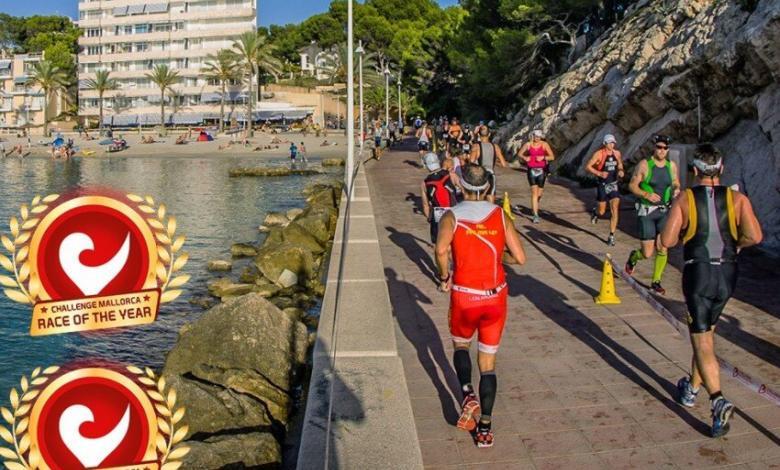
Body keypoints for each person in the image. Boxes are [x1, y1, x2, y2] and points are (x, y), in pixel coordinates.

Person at [660, 143, 762, 437]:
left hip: (699, 272)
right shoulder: (737, 198)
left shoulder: (686, 199)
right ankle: (691, 389)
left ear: (694, 171)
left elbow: (667, 241)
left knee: (702, 342)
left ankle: (717, 400)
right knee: (707, 334)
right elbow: (755, 235)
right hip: (728, 274)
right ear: (722, 169)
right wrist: (737, 245)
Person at [435, 163, 526, 448]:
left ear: (460, 186)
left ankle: (466, 393)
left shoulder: (451, 216)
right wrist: (499, 259)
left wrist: (444, 275)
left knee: (461, 345)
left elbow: (440, 250)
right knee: (488, 364)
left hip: (465, 294)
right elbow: (520, 258)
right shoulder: (500, 215)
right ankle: (485, 428)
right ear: (487, 187)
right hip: (495, 296)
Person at [625, 134, 680, 295]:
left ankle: (656, 281)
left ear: (668, 150)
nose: (661, 151)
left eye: (665, 148)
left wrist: (676, 189)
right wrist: (645, 195)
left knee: (663, 247)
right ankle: (634, 257)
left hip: (664, 211)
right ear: (654, 147)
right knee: (647, 253)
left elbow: (676, 181)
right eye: (659, 147)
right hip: (647, 211)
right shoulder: (644, 165)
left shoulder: (672, 166)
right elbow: (632, 185)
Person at [586, 134, 625, 246]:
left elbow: (620, 164)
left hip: (613, 184)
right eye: (609, 143)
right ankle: (595, 212)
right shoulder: (599, 154)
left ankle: (611, 235)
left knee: (615, 208)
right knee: (602, 211)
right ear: (605, 144)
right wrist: (599, 173)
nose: (612, 145)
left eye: (613, 143)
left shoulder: (617, 153)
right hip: (602, 184)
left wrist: (621, 170)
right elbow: (588, 166)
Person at [517, 129, 555, 223]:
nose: (537, 138)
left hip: (541, 171)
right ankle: (535, 215)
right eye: (535, 136)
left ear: (541, 136)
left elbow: (552, 157)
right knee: (534, 193)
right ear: (532, 136)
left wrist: (543, 157)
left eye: (538, 137)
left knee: (539, 194)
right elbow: (519, 154)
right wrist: (525, 157)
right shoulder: (528, 144)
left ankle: (535, 206)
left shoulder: (544, 145)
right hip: (531, 170)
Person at [421, 153, 458, 243]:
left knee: (439, 243)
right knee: (454, 241)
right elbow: (464, 191)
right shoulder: (451, 175)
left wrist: (429, 219)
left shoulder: (424, 183)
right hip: (454, 212)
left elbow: (425, 205)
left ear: (426, 165)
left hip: (437, 214)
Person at [469, 126, 507, 204]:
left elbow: (471, 161)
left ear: (479, 135)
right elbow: (504, 164)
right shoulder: (495, 147)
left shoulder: (476, 146)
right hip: (491, 174)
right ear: (489, 134)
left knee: (479, 196)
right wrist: (493, 161)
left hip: (480, 175)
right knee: (490, 195)